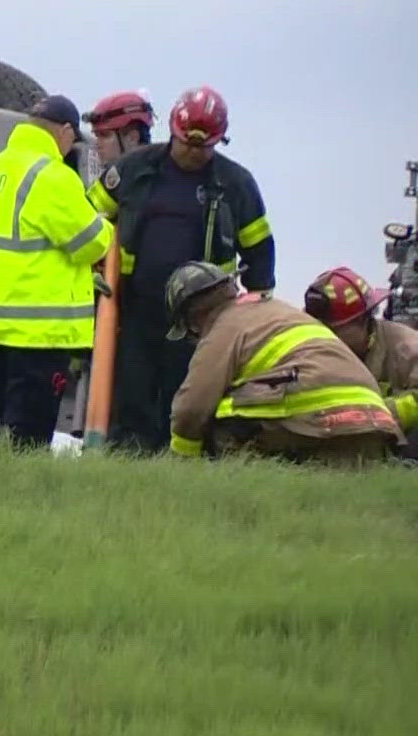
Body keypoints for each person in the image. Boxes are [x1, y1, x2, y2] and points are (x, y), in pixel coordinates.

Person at [86, 85, 275, 453]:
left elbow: (259, 252)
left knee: (186, 399)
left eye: (202, 147)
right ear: (173, 131)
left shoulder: (236, 184)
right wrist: (92, 272)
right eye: (186, 143)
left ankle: (179, 467)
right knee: (132, 398)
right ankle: (128, 466)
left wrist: (254, 309)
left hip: (200, 320)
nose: (192, 152)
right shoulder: (134, 169)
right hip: (135, 309)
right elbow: (89, 219)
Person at [0, 96, 114, 446]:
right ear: (66, 131)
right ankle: (20, 497)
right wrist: (107, 225)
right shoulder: (52, 176)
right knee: (28, 439)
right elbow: (90, 243)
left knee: (0, 429)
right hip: (37, 332)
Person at [164, 261, 400, 465]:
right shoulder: (283, 312)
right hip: (374, 423)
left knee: (222, 425)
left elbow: (191, 409)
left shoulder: (222, 327)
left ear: (195, 318)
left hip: (316, 423)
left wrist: (182, 460)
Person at [303, 266, 418, 455]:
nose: (326, 339)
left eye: (334, 331)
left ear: (363, 321)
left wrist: (377, 413)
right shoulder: (313, 351)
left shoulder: (407, 348)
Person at [82, 89, 155, 167]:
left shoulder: (160, 177)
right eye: (97, 136)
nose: (97, 144)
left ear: (132, 138)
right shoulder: (107, 178)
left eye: (104, 135)